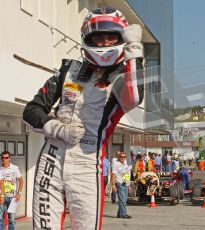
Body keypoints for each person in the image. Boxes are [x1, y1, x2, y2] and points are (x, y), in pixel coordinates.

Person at [22, 7, 144, 229]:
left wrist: (134, 50)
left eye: (111, 37)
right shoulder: (68, 69)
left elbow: (135, 97)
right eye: (98, 38)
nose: (105, 43)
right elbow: (31, 111)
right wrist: (56, 128)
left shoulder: (122, 79)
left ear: (121, 39)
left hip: (87, 165)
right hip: (51, 159)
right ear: (87, 39)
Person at [0, 151, 24, 230]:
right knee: (0, 218)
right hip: (2, 197)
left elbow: (21, 180)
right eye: (2, 157)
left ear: (9, 158)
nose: (4, 159)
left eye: (6, 157)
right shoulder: (0, 169)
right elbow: (1, 182)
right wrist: (2, 195)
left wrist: (19, 193)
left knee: (12, 219)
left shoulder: (14, 168)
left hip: (12, 197)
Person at [111, 152, 131, 218]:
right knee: (122, 199)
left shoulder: (125, 163)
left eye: (124, 157)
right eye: (121, 157)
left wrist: (129, 185)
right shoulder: (115, 164)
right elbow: (113, 175)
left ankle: (119, 213)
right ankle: (123, 214)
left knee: (124, 200)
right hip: (119, 183)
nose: (123, 158)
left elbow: (127, 174)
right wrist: (113, 185)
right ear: (118, 157)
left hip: (125, 183)